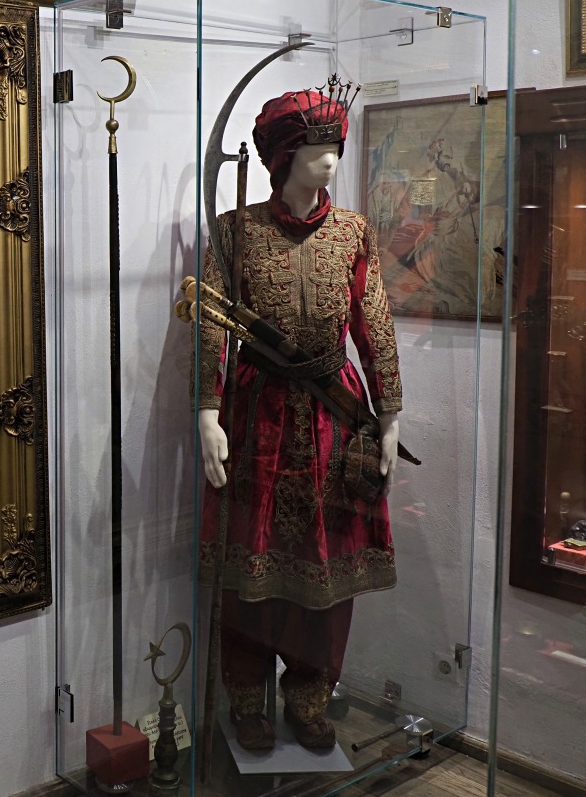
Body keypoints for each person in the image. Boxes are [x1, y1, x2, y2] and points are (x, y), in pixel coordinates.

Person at [194, 88, 402, 752]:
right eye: (316, 150)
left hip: (336, 418)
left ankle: (310, 697)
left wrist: (389, 415)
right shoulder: (234, 230)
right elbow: (210, 324)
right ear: (284, 156)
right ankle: (246, 699)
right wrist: (206, 411)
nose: (330, 161)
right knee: (252, 569)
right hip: (257, 413)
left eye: (335, 148)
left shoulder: (354, 233)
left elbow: (374, 324)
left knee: (328, 567)